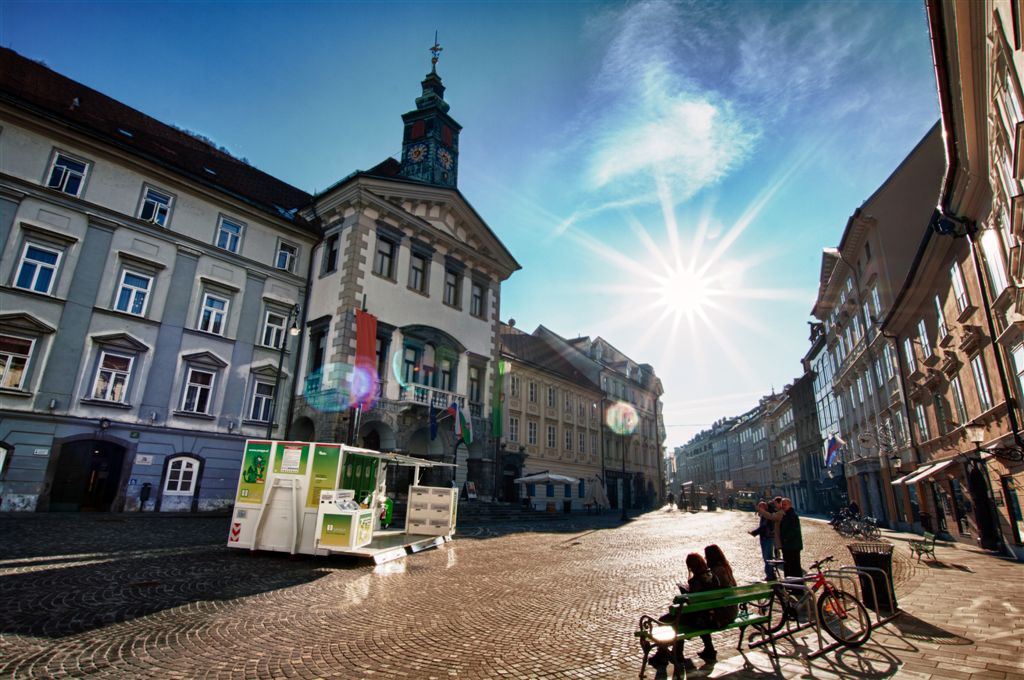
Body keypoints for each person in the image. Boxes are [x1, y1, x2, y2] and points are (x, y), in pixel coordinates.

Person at [650, 553, 721, 668]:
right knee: (690, 615)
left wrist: (685, 593)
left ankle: (664, 654)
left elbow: (691, 602)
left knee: (666, 620)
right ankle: (708, 649)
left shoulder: (696, 581)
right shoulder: (713, 576)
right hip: (712, 616)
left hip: (700, 618)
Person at [758, 497, 803, 578]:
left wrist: (784, 540)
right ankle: (791, 585)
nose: (783, 506)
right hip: (787, 545)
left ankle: (796, 587)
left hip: (791, 546)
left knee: (794, 567)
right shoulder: (785, 513)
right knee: (789, 567)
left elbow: (792, 531)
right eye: (782, 504)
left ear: (790, 505)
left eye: (785, 504)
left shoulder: (788, 515)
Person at [749, 499, 778, 580]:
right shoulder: (765, 515)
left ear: (764, 507)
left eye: (760, 508)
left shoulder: (767, 515)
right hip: (765, 537)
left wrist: (754, 532)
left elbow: (764, 527)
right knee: (767, 557)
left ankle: (770, 575)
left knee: (767, 557)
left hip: (768, 537)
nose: (759, 510)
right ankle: (770, 574)